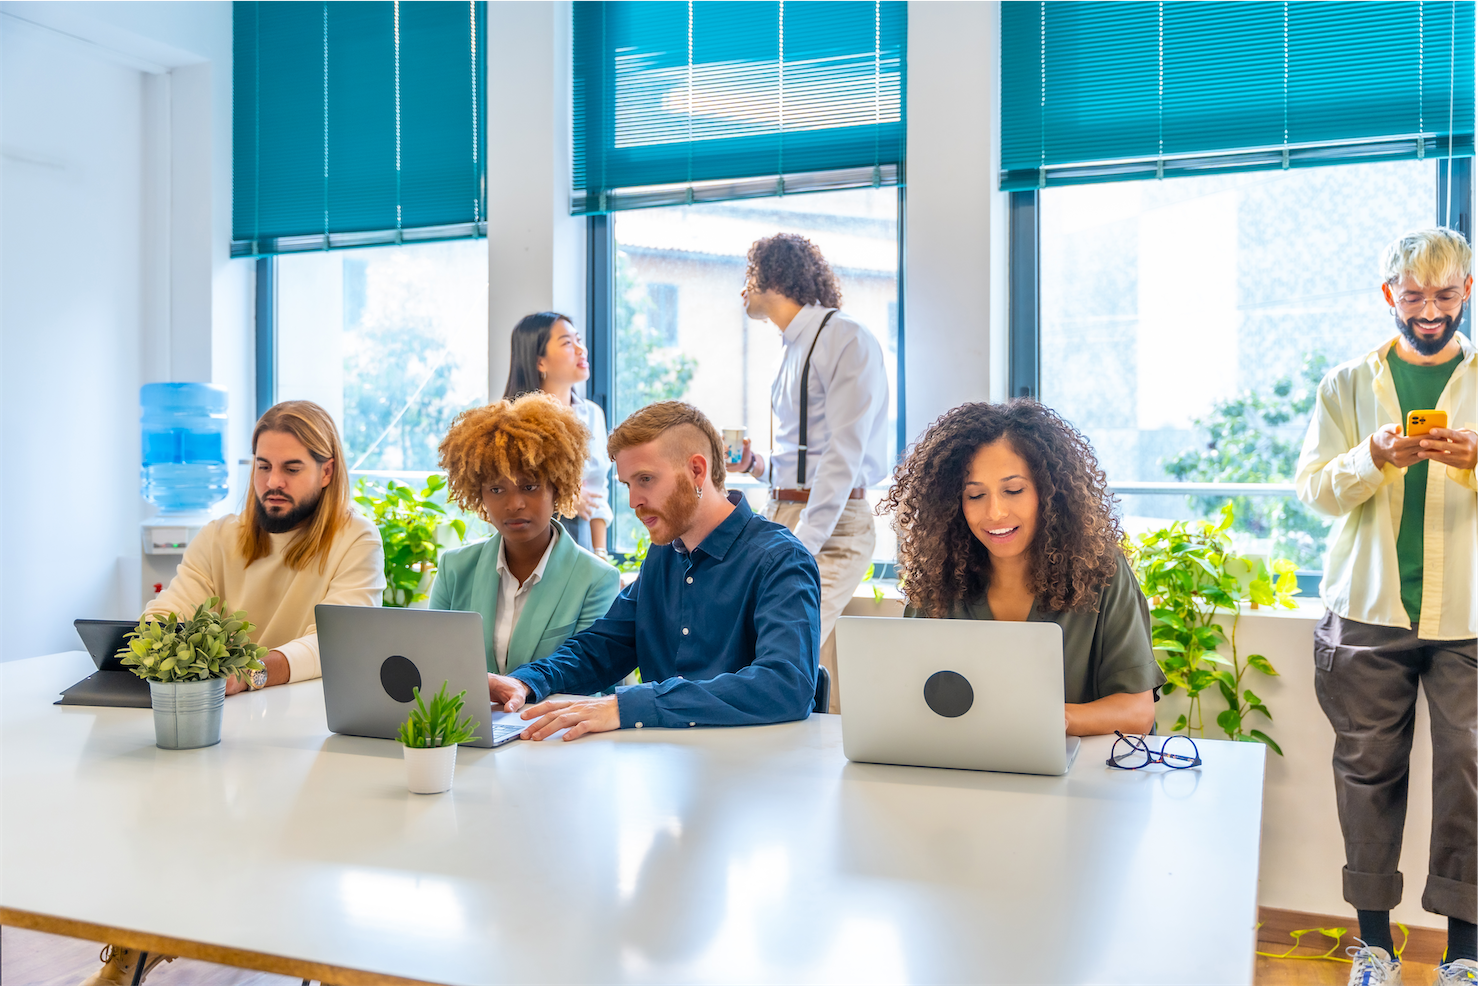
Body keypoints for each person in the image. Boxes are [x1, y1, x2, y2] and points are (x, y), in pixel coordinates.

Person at [84, 400, 385, 986]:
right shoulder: (221, 535)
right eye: (262, 465)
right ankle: (135, 942)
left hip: (306, 727)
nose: (273, 482)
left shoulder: (355, 536)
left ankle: (321, 958)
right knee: (147, 799)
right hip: (225, 713)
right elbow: (173, 605)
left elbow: (343, 637)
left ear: (327, 471)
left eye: (291, 468)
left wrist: (251, 672)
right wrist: (153, 640)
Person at [1294, 226, 1478, 986]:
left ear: (1466, 290)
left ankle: (1465, 957)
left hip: (1468, 617)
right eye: (1413, 296)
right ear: (1388, 298)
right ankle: (1375, 947)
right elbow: (1311, 491)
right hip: (1367, 613)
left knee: (1471, 774)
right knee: (1366, 771)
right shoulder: (1344, 385)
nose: (1428, 311)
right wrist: (1371, 457)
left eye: (1443, 294)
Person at [487, 400, 822, 741]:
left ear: (696, 471)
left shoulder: (780, 560)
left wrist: (628, 707)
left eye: (645, 479)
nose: (634, 501)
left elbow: (786, 684)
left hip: (753, 772)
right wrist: (527, 681)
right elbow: (602, 648)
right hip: (665, 767)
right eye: (628, 485)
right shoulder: (664, 555)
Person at [881, 400, 1163, 737]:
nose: (995, 512)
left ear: (1049, 491)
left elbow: (1137, 712)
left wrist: (1044, 719)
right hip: (967, 772)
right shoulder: (939, 578)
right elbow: (910, 700)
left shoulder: (1100, 570)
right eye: (974, 496)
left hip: (1082, 780)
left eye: (1013, 490)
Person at [729, 233, 890, 713]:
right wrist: (756, 466)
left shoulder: (846, 338)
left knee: (787, 649)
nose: (743, 292)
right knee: (802, 653)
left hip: (832, 523)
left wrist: (804, 541)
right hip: (785, 511)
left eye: (748, 278)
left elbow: (844, 451)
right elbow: (806, 455)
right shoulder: (791, 348)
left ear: (772, 277)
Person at [430, 392, 621, 675]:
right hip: (466, 719)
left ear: (557, 487)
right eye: (496, 489)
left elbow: (591, 684)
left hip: (552, 719)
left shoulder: (597, 580)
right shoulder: (455, 569)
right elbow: (432, 664)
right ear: (479, 495)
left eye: (529, 487)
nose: (514, 504)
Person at [503, 311, 613, 557]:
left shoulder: (592, 414)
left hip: (581, 543)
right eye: (567, 343)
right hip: (527, 546)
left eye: (579, 340)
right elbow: (507, 494)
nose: (581, 350)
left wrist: (601, 554)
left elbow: (597, 492)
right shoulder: (513, 421)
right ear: (539, 361)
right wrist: (563, 497)